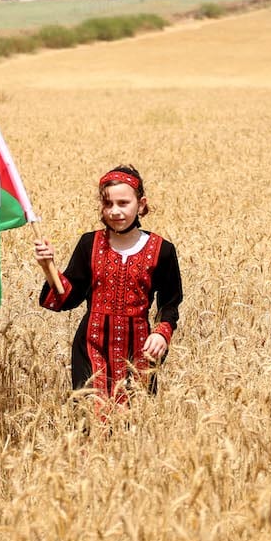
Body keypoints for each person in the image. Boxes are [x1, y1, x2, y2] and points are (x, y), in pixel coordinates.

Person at [34, 165, 183, 410]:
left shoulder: (162, 250)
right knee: (91, 418)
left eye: (123, 203)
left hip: (139, 350)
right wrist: (47, 266)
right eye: (108, 204)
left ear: (141, 204)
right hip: (91, 346)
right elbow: (69, 297)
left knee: (134, 421)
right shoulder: (89, 244)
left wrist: (161, 333)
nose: (115, 211)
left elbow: (170, 301)